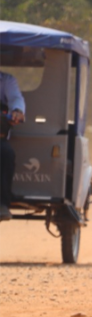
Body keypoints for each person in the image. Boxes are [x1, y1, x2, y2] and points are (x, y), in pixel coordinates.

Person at [0, 71, 26, 222]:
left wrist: (17, 111)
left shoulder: (6, 80)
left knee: (6, 153)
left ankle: (2, 203)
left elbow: (16, 98)